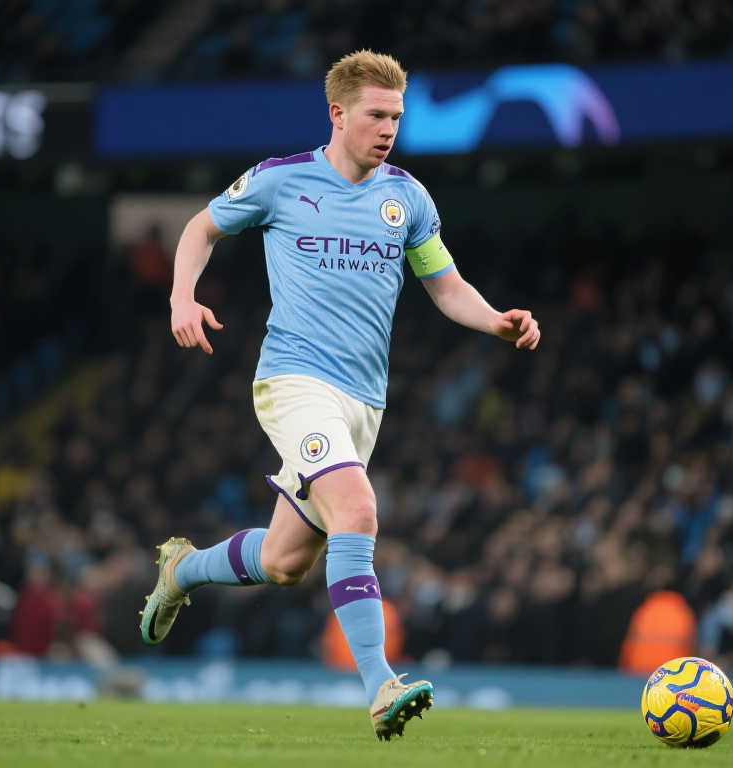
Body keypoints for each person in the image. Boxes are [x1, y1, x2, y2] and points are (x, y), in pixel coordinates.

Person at [140, 49, 540, 740]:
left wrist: (496, 321)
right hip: (294, 382)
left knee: (284, 562)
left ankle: (184, 569)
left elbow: (446, 287)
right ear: (338, 113)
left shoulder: (408, 199)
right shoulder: (281, 180)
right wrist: (182, 296)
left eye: (397, 117)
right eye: (376, 115)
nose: (389, 129)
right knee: (357, 509)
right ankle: (380, 685)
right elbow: (201, 227)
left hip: (363, 404)